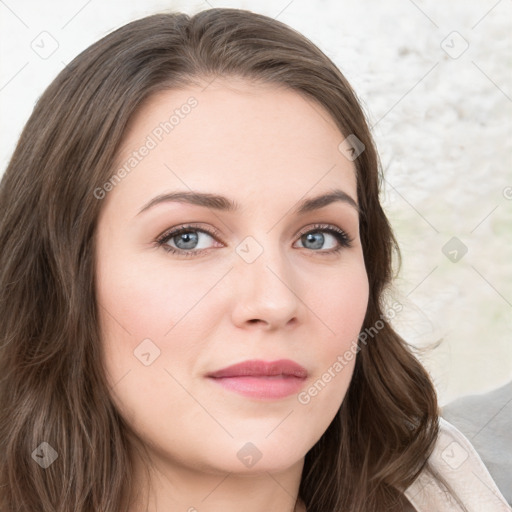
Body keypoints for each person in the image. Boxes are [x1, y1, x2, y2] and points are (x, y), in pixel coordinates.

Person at [0, 8, 508, 512]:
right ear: (59, 276)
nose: (274, 301)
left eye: (318, 238)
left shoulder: (476, 484)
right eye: (189, 238)